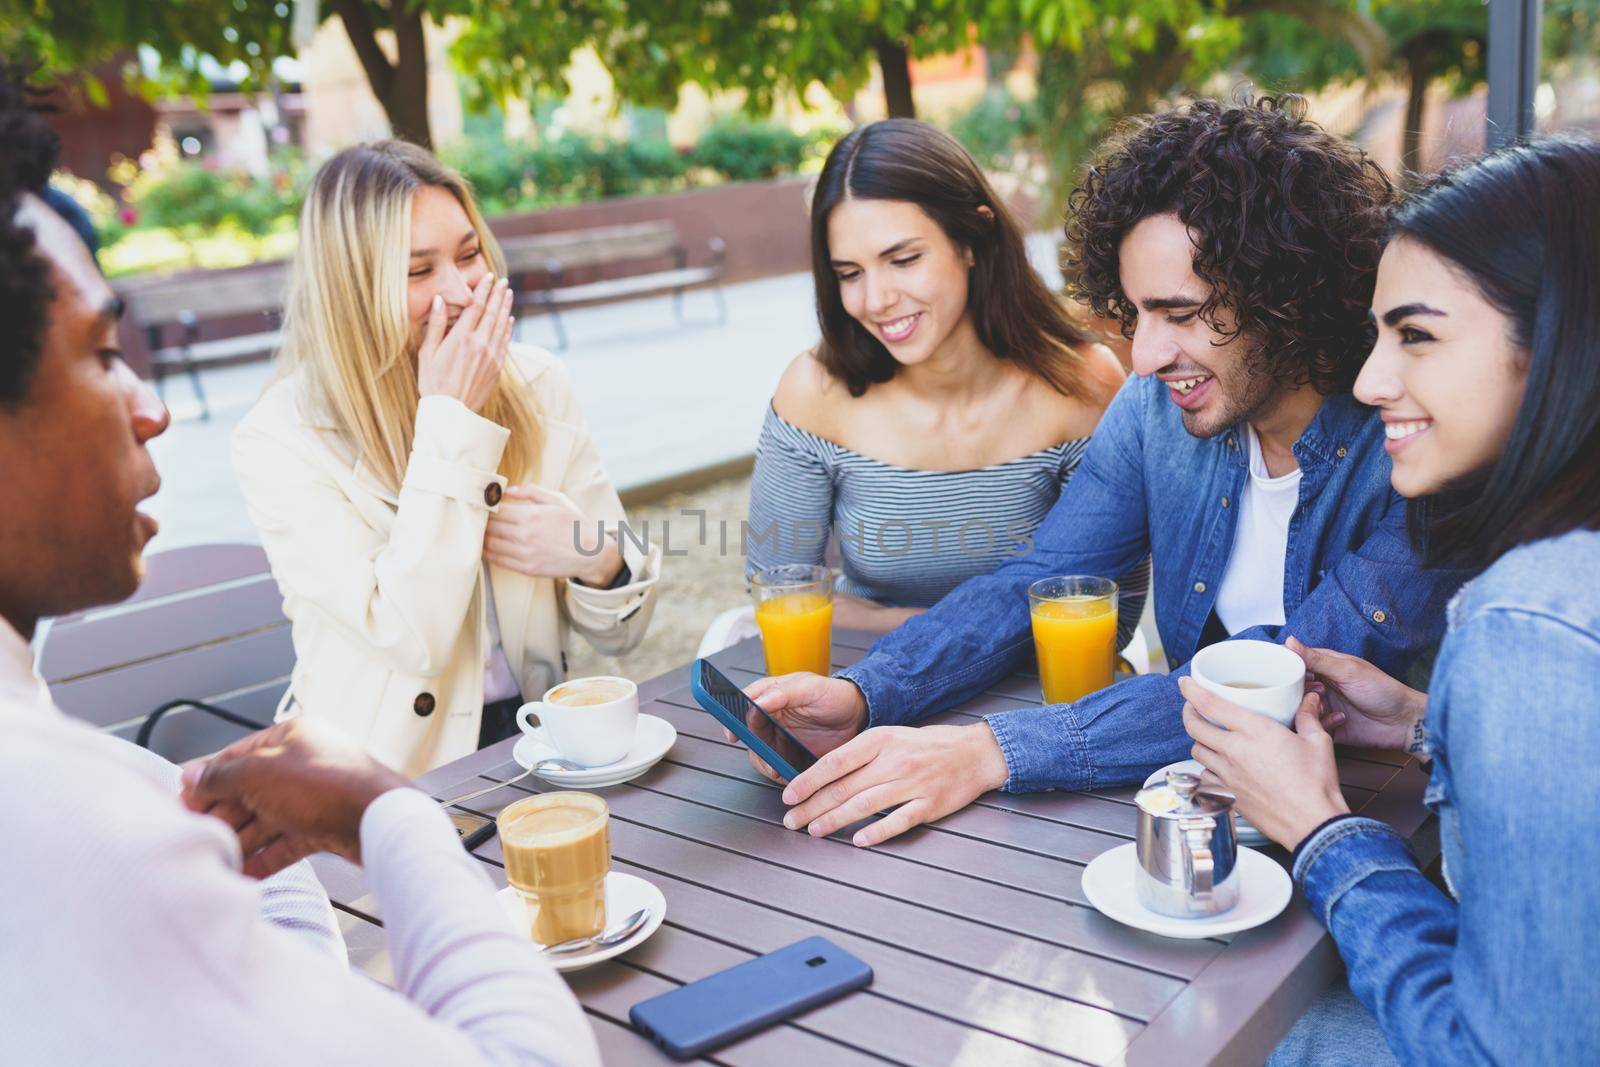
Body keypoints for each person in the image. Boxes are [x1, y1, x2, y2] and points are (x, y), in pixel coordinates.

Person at [0, 61, 599, 1065]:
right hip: (399, 812)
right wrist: (385, 814)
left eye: (467, 256)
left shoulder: (117, 788)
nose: (151, 405)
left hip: (518, 774)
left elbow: (610, 599)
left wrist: (598, 553)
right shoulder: (70, 817)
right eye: (103, 353)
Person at [744, 96, 1467, 847]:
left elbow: (1273, 679)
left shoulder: (1411, 448)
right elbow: (1040, 575)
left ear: (1288, 296)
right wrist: (866, 693)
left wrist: (989, 749)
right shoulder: (1156, 410)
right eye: (1135, 313)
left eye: (1181, 314)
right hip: (1208, 815)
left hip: (1384, 834)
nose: (1145, 356)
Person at [1183, 138, 1600, 1065]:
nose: (1370, 382)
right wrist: (1422, 724)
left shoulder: (1528, 622)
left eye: (1416, 334)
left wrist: (1319, 828)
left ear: (1563, 342)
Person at [232, 141, 661, 776]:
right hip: (376, 773)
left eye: (468, 255)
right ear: (353, 289)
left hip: (536, 739)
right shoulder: (282, 437)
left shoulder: (538, 384)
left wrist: (595, 557)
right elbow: (412, 638)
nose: (461, 291)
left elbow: (623, 633)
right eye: (418, 270)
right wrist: (452, 420)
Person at [745, 118, 1147, 638]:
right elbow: (779, 594)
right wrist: (936, 632)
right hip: (861, 681)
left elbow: (1109, 608)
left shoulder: (1082, 383)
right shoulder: (813, 391)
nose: (875, 300)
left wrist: (945, 640)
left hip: (1036, 698)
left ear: (972, 238)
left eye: (903, 259)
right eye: (849, 273)